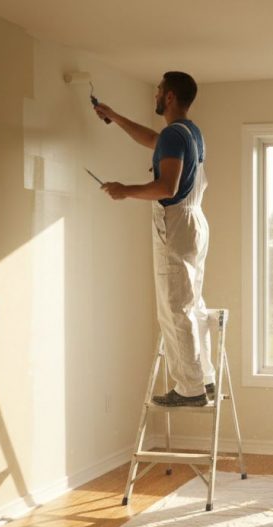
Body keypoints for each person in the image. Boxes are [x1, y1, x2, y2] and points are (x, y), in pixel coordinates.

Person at [93, 71, 215, 407]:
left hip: (175, 224)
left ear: (170, 96)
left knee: (175, 309)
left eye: (159, 90)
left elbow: (167, 188)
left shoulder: (175, 137)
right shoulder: (188, 132)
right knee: (192, 304)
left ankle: (190, 389)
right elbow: (153, 139)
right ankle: (204, 378)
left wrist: (124, 191)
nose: (156, 94)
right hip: (194, 222)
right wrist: (115, 117)